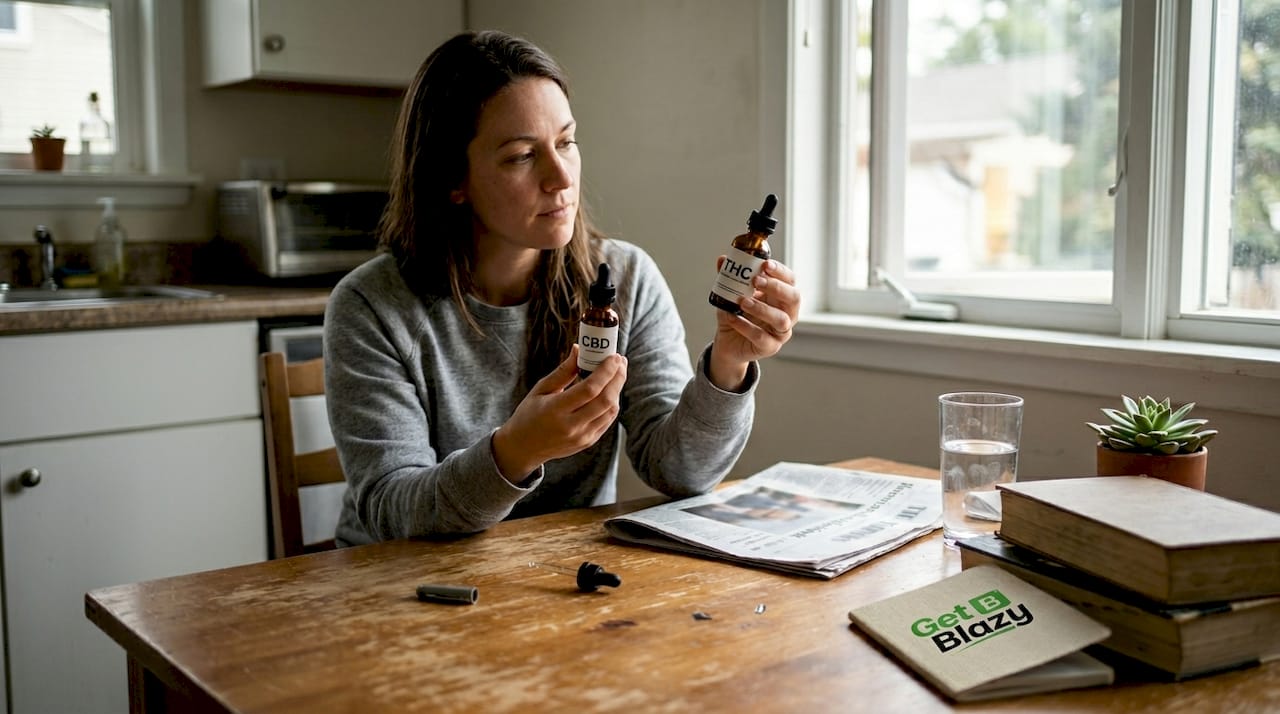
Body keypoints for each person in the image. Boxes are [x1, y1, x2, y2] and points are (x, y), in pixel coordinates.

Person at [324, 30, 800, 546]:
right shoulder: (371, 306)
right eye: (522, 156)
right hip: (399, 589)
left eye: (567, 142)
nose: (560, 177)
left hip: (561, 576)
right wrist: (515, 452)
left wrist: (728, 365)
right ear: (452, 180)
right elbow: (391, 510)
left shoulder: (627, 279)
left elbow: (680, 471)